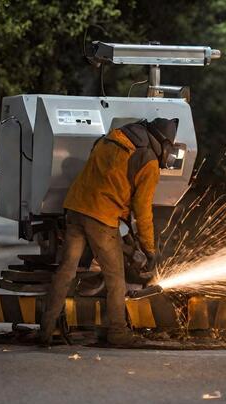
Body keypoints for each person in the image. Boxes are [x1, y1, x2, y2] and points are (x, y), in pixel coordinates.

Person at [38, 118, 178, 346]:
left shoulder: (114, 137)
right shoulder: (149, 161)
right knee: (115, 278)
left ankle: (46, 330)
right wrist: (149, 250)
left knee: (66, 271)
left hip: (75, 207)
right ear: (164, 145)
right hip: (100, 216)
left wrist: (129, 232)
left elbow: (110, 181)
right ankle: (118, 332)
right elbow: (143, 211)